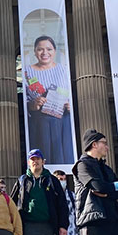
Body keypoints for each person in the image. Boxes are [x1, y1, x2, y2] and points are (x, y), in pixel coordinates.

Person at [25, 35, 73, 164]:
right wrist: (32, 105)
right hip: (40, 124)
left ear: (54, 51)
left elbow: (73, 95)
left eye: (49, 49)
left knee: (64, 158)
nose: (45, 53)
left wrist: (71, 105)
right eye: (40, 49)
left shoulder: (64, 70)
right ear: (35, 52)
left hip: (63, 122)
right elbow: (23, 99)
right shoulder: (27, 72)